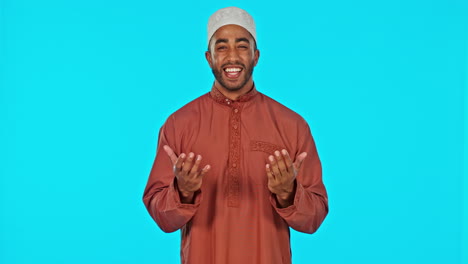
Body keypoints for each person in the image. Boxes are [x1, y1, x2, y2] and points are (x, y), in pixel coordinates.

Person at [143, 7, 328, 264]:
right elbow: (162, 217)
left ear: (256, 56)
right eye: (221, 47)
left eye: (242, 46)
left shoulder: (292, 125)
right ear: (209, 58)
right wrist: (182, 192)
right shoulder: (179, 124)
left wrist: (288, 194)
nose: (232, 57)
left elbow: (314, 218)